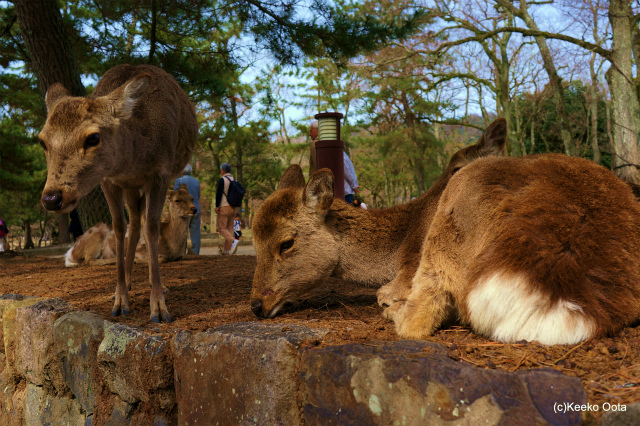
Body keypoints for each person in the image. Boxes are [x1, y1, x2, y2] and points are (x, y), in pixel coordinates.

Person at [174, 163, 201, 254]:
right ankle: (195, 253)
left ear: (181, 172)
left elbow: (176, 196)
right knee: (195, 233)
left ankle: (182, 251)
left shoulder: (179, 181)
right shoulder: (196, 181)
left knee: (182, 232)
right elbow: (198, 196)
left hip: (184, 211)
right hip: (196, 209)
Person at [215, 163, 237, 255]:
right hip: (234, 207)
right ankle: (227, 250)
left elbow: (219, 194)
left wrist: (217, 206)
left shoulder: (222, 180)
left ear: (223, 170)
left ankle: (233, 241)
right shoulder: (234, 180)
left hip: (224, 206)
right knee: (230, 228)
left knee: (221, 228)